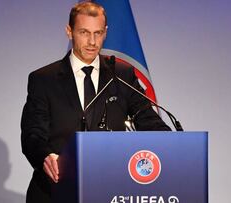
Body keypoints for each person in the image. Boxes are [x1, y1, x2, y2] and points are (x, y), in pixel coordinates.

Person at [21, 1, 170, 202]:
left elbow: (148, 119)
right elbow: (33, 134)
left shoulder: (122, 74)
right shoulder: (44, 79)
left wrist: (174, 146)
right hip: (55, 190)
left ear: (105, 32)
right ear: (69, 31)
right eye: (84, 32)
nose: (92, 41)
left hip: (108, 190)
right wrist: (45, 157)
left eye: (98, 33)